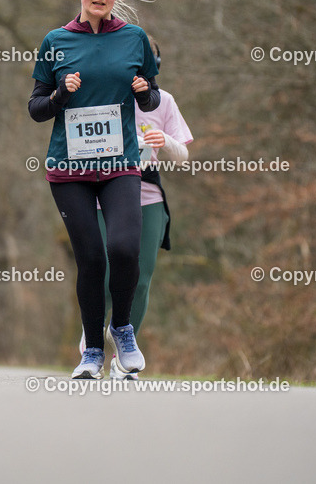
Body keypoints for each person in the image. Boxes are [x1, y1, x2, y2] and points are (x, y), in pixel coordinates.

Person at [28, 0, 170, 379]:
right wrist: (60, 96)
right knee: (90, 259)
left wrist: (144, 92)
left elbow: (153, 98)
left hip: (121, 163)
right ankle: (91, 351)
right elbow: (36, 108)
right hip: (69, 168)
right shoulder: (56, 42)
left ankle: (122, 328)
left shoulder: (135, 39)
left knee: (124, 249)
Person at [96, 34, 193, 379]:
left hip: (148, 195)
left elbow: (182, 155)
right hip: (102, 193)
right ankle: (91, 342)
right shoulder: (103, 95)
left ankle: (123, 358)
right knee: (105, 274)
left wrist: (163, 140)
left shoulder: (163, 101)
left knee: (141, 278)